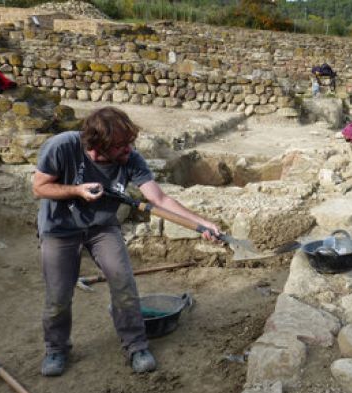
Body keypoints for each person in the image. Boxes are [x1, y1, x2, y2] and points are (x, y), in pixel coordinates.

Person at [32, 106, 220, 376]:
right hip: (60, 228)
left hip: (101, 227)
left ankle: (136, 345)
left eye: (130, 143)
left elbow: (160, 199)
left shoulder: (130, 158)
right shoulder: (62, 146)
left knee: (123, 282)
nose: (129, 150)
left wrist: (201, 223)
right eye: (121, 145)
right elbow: (39, 188)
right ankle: (56, 349)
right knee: (58, 295)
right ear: (99, 144)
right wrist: (76, 190)